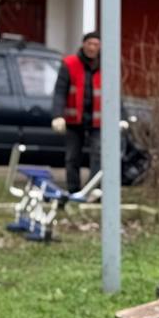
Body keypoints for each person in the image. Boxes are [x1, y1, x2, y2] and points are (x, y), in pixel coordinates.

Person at [51, 31, 101, 195]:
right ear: (83, 44)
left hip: (97, 121)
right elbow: (60, 92)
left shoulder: (106, 64)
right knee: (72, 157)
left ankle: (93, 191)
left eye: (96, 45)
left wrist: (121, 117)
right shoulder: (69, 64)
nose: (92, 48)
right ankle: (73, 191)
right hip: (74, 120)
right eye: (90, 44)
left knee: (98, 156)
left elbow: (115, 93)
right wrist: (58, 115)